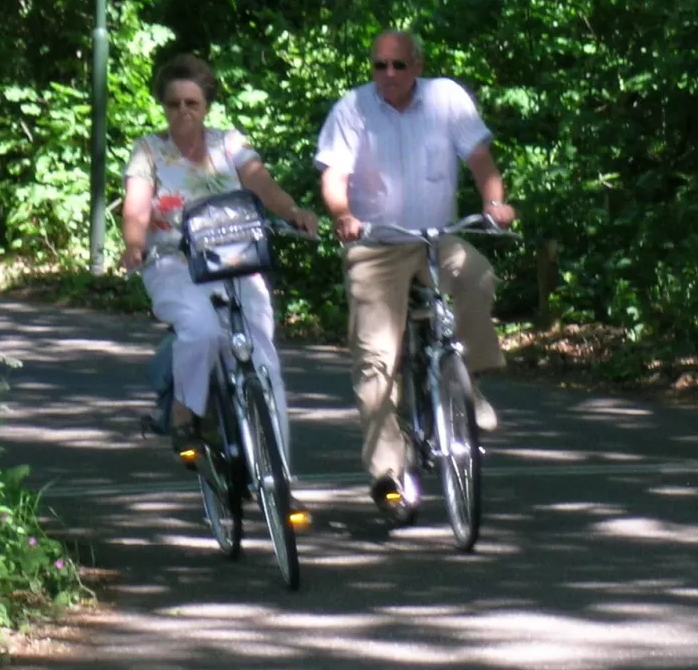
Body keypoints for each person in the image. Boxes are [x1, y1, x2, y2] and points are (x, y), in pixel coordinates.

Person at [314, 29, 516, 516]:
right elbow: (333, 175)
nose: (387, 75)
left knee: (477, 274)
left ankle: (465, 381)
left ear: (417, 66)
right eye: (379, 66)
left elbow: (480, 159)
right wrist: (342, 214)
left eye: (397, 66)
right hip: (377, 245)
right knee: (376, 360)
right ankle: (387, 473)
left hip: (435, 236)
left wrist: (495, 204)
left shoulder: (447, 99)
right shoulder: (352, 108)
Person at [119, 52, 319, 462]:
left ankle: (277, 472)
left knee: (264, 364)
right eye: (174, 104)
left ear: (206, 105)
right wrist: (134, 242)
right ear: (163, 105)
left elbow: (264, 186)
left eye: (192, 103)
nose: (183, 112)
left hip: (236, 260)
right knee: (202, 330)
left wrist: (294, 211)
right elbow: (136, 207)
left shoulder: (231, 144)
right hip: (174, 262)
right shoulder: (149, 150)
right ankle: (184, 412)